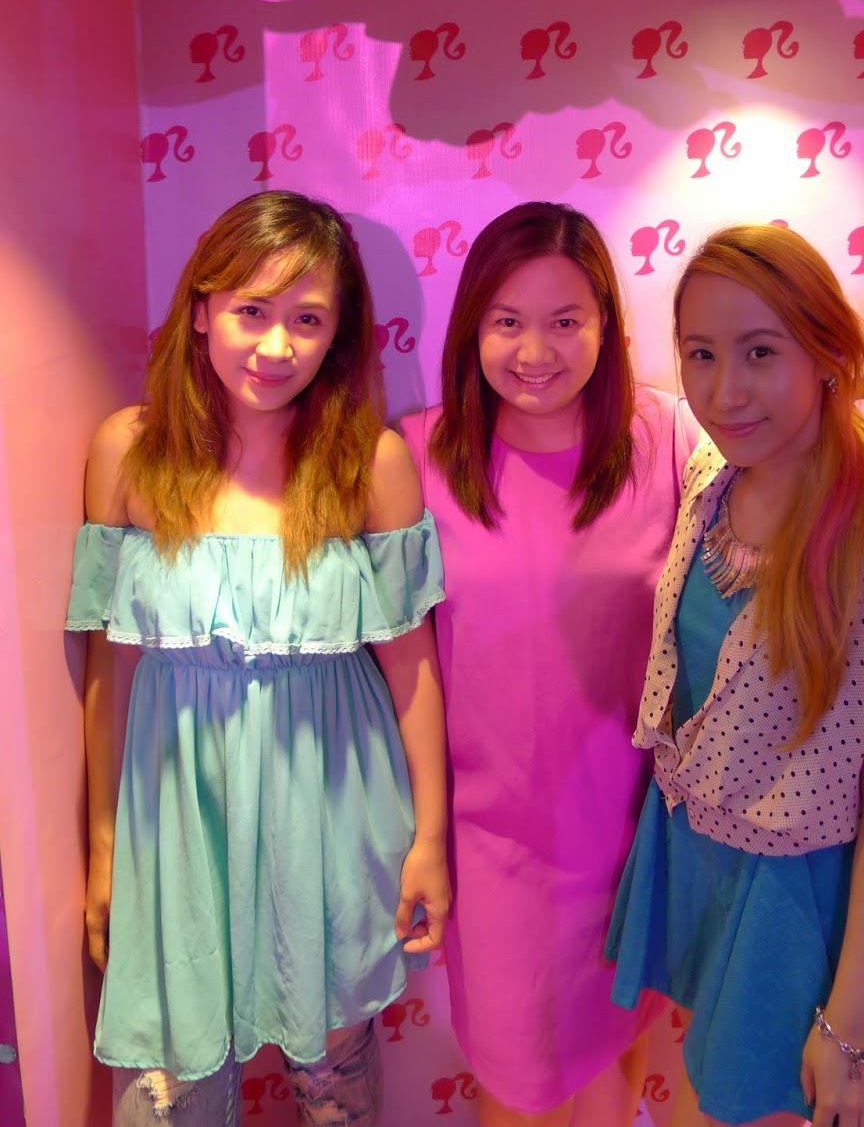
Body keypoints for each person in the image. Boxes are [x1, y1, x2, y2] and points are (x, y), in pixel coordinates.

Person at [65, 191, 449, 1126]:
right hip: (175, 819)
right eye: (252, 311)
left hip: (333, 808)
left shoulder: (370, 465)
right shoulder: (128, 453)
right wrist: (104, 846)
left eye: (307, 321)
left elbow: (411, 668)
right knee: (171, 1086)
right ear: (202, 310)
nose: (277, 347)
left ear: (337, 335)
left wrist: (430, 841)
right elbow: (110, 670)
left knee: (334, 1080)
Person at [607, 224, 864, 1127]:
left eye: (761, 352)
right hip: (702, 863)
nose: (724, 391)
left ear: (826, 355)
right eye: (701, 353)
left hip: (797, 910)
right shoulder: (713, 481)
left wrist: (849, 1029)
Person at [400, 201, 700, 1127]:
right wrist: (424, 837)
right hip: (492, 842)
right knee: (518, 1081)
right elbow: (405, 665)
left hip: (635, 831)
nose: (536, 351)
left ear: (606, 323)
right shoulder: (416, 456)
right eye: (508, 321)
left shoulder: (669, 439)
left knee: (614, 1066)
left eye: (566, 320)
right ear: (472, 328)